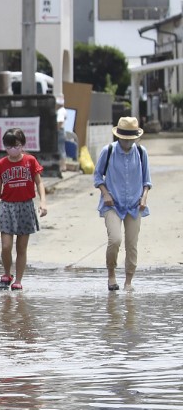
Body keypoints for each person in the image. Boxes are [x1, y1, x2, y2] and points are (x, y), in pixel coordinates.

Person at [93, 116, 151, 292]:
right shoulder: (108, 151)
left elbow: (147, 181)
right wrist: (105, 193)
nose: (127, 142)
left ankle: (128, 281)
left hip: (135, 205)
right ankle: (111, 274)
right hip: (112, 204)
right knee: (115, 239)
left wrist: (144, 197)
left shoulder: (141, 152)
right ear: (118, 136)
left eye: (131, 139)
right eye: (124, 139)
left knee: (132, 244)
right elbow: (97, 176)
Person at [0, 127, 47, 291]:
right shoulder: (1, 164)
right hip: (7, 207)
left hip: (25, 206)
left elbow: (39, 182)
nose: (13, 150)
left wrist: (43, 202)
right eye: (9, 147)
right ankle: (7, 273)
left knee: (21, 247)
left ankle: (18, 280)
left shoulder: (30, 161)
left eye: (16, 146)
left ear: (22, 145)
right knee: (6, 246)